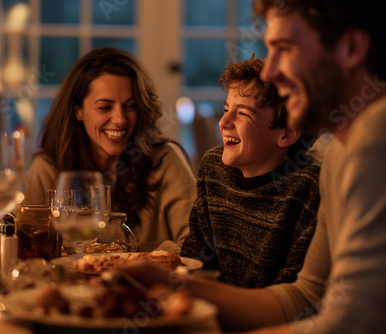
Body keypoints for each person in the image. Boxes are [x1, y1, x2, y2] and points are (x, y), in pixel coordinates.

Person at [120, 1, 386, 333]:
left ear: (351, 48)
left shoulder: (375, 137)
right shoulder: (340, 153)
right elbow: (305, 297)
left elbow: (353, 322)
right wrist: (172, 283)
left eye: (284, 49)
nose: (271, 71)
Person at [25, 47, 196, 253]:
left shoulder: (165, 160)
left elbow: (196, 246)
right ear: (77, 110)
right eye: (105, 107)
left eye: (130, 106)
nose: (121, 119)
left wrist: (140, 256)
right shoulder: (47, 168)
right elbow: (32, 250)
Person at [181, 56, 320, 288]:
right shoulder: (214, 168)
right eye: (226, 109)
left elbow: (293, 295)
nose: (224, 121)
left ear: (286, 133)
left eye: (243, 114)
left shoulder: (309, 187)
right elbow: (197, 259)